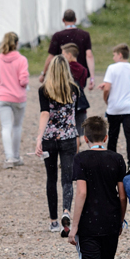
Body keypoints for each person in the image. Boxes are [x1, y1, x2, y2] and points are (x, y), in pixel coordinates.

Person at [67, 116, 127, 259]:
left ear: (85, 138)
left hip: (89, 221)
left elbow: (81, 192)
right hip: (111, 219)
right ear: (106, 136)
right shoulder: (117, 158)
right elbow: (122, 195)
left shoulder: (81, 159)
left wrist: (74, 227)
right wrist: (121, 219)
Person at [35, 56, 80, 235]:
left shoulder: (44, 90)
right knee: (67, 178)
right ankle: (66, 212)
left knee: (51, 178)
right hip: (69, 137)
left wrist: (39, 137)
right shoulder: (74, 89)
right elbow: (74, 113)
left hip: (50, 139)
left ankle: (53, 221)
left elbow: (45, 113)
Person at [0, 32, 29, 168]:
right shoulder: (22, 60)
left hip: (3, 96)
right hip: (18, 97)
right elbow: (23, 80)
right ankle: (16, 155)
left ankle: (9, 158)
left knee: (5, 127)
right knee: (17, 126)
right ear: (17, 43)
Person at [101, 43, 130, 166]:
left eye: (114, 55)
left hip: (115, 108)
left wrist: (106, 99)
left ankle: (111, 160)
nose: (113, 58)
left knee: (113, 135)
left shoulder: (112, 68)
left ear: (120, 55)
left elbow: (107, 88)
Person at [41, 9, 95, 88]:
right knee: (78, 94)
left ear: (63, 20)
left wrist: (44, 74)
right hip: (80, 72)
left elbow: (51, 57)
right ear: (75, 19)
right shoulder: (84, 35)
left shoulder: (58, 36)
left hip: (62, 72)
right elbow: (89, 55)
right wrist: (92, 78)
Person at [61, 43, 91, 139]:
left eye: (63, 54)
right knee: (78, 132)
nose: (63, 57)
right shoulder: (84, 70)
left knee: (67, 131)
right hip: (80, 104)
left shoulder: (64, 68)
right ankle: (77, 152)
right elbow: (83, 85)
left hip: (66, 102)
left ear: (69, 55)